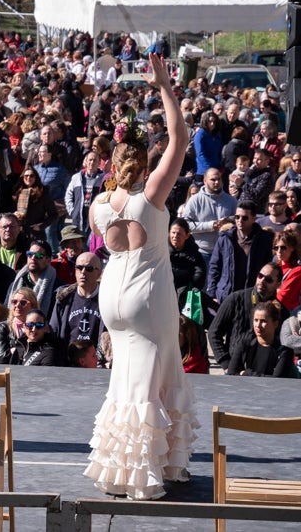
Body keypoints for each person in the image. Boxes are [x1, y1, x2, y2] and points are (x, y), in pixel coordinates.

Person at [84, 54, 197, 501]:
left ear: (113, 162)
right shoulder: (151, 195)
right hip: (148, 294)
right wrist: (166, 88)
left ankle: (119, 467)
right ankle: (144, 473)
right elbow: (180, 139)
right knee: (155, 376)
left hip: (111, 294)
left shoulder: (98, 204)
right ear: (141, 162)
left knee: (127, 380)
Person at [226, 301, 298, 377]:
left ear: (275, 324)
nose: (258, 325)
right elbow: (232, 373)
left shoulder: (284, 349)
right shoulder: (245, 343)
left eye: (263, 321)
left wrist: (246, 373)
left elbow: (277, 380)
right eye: (256, 320)